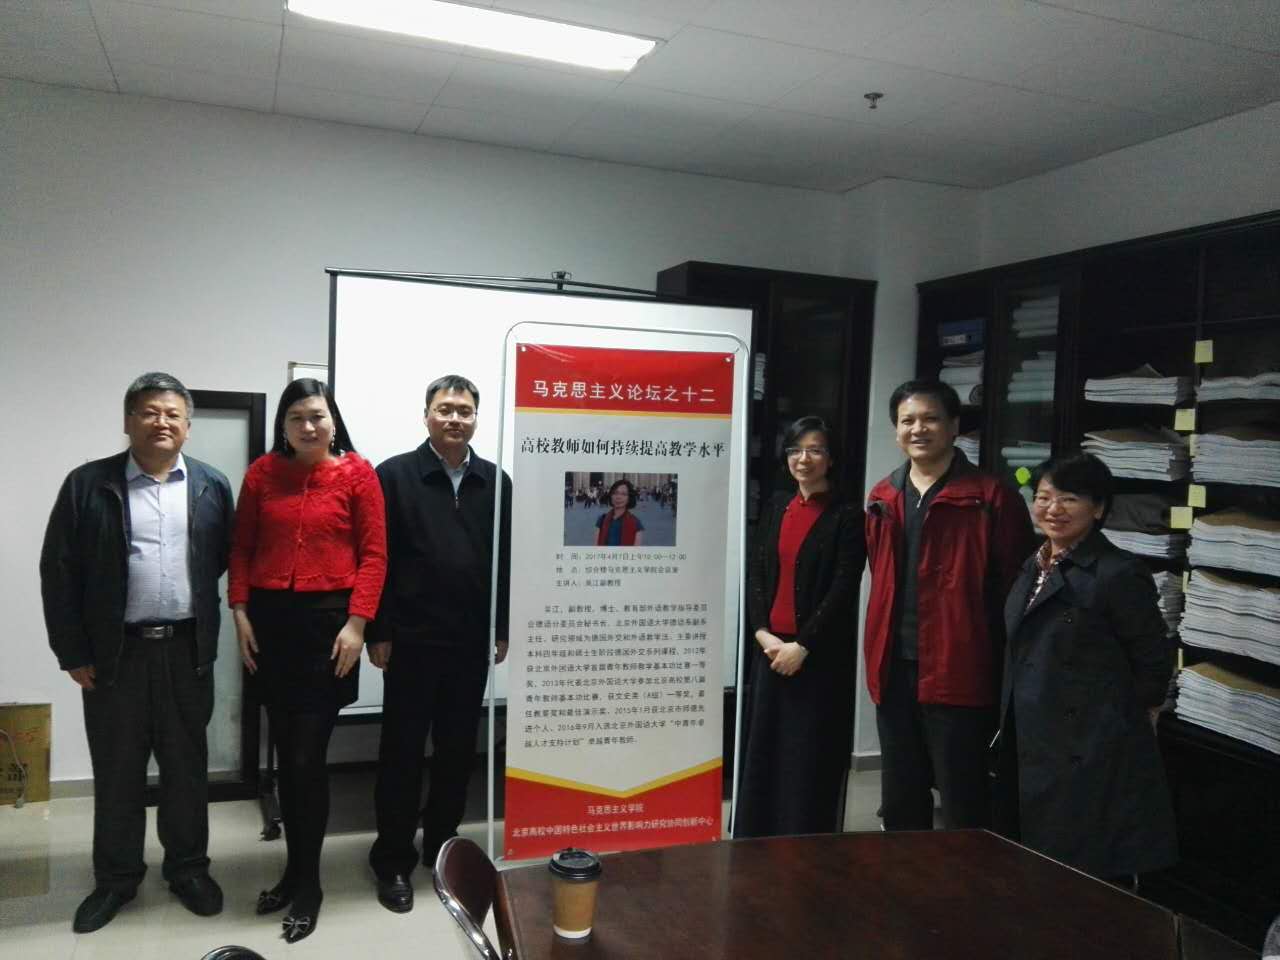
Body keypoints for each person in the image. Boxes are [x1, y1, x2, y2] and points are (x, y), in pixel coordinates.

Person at [40, 372, 234, 933]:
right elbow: (59, 570)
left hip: (186, 651)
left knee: (186, 769)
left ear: (188, 425)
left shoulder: (211, 485)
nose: (161, 422)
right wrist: (72, 650)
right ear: (128, 421)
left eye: (173, 414)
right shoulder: (88, 485)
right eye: (149, 412)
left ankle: (188, 869)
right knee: (118, 770)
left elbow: (221, 559)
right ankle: (116, 878)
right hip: (114, 655)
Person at [228, 378, 387, 943]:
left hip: (329, 630)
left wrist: (357, 623)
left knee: (306, 759)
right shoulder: (262, 474)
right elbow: (241, 547)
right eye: (296, 417)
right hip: (270, 626)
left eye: (317, 415)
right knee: (285, 756)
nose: (308, 426)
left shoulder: (358, 474)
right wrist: (240, 611)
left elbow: (374, 555)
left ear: (333, 420)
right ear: (284, 425)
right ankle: (294, 872)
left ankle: (309, 885)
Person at [994, 453, 1177, 881]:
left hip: (1087, 747)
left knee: (1081, 870)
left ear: (1098, 508)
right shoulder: (1033, 564)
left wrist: (1119, 721)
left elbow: (1153, 660)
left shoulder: (1118, 573)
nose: (1053, 509)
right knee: (1033, 864)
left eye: (1069, 499)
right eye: (1043, 497)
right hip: (1032, 734)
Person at [368, 374, 510, 913]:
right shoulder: (394, 476)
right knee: (401, 753)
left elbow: (505, 559)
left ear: (476, 418)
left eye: (464, 410)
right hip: (409, 641)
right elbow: (377, 558)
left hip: (469, 641)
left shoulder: (496, 482)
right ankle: (392, 859)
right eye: (445, 409)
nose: (455, 418)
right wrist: (379, 629)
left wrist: (501, 626)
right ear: (426, 414)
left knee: (456, 752)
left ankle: (442, 849)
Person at [864, 380, 1034, 831]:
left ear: (954, 426)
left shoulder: (991, 497)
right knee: (901, 795)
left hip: (960, 668)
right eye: (907, 421)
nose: (918, 429)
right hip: (893, 667)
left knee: (964, 798)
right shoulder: (883, 496)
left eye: (931, 419)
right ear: (896, 430)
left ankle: (963, 878)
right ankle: (906, 872)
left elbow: (1013, 590)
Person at [735, 416, 865, 837]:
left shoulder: (847, 515)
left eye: (815, 450)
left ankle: (801, 847)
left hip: (816, 658)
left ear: (831, 458)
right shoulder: (778, 505)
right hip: (770, 651)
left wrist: (802, 645)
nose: (803, 459)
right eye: (795, 450)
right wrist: (761, 633)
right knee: (764, 753)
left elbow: (843, 588)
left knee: (806, 758)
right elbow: (757, 573)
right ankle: (756, 842)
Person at [595, 478, 645, 546]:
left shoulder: (636, 523)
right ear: (611, 496)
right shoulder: (601, 520)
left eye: (624, 494)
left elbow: (636, 550)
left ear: (629, 498)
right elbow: (596, 547)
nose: (618, 497)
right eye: (615, 493)